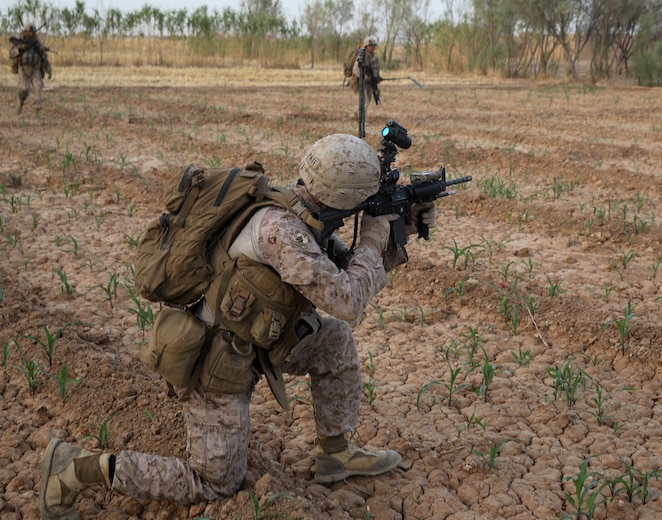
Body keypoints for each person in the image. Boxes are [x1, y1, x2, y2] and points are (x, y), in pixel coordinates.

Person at [39, 134, 437, 518]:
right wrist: (374, 235)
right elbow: (347, 300)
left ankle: (335, 453)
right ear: (348, 199)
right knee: (214, 481)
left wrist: (398, 239)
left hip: (257, 337)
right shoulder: (282, 232)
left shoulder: (302, 211)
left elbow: (342, 279)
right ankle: (74, 467)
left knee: (332, 341)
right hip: (215, 359)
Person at [8, 22, 52, 117]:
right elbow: (11, 52)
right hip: (23, 69)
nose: (30, 34)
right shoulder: (19, 41)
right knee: (23, 89)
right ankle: (20, 104)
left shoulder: (37, 43)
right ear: (25, 31)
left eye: (32, 32)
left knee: (38, 89)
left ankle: (37, 113)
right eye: (29, 32)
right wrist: (20, 48)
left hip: (35, 69)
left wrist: (49, 70)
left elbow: (44, 57)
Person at [350, 37, 382, 118]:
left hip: (367, 82)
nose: (373, 47)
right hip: (359, 81)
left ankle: (356, 114)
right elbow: (356, 70)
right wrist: (366, 78)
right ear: (366, 46)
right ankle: (361, 118)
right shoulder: (361, 56)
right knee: (365, 99)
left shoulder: (371, 56)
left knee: (367, 98)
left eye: (374, 45)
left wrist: (376, 77)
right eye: (371, 45)